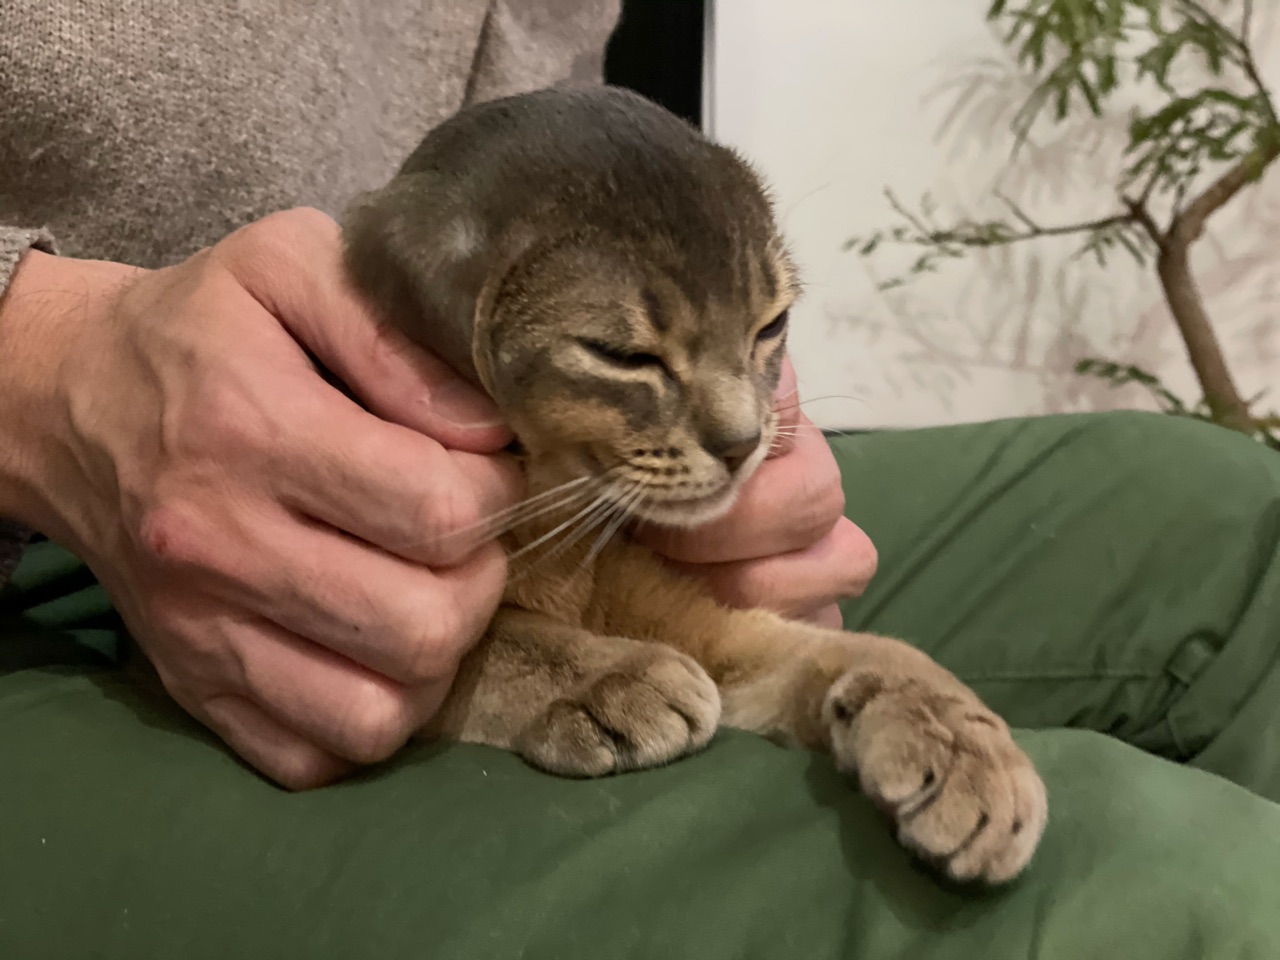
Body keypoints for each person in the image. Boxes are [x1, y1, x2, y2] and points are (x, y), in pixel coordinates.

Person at [2, 3, 1279, 958]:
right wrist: (44, 367)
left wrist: (859, 663)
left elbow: (570, 171)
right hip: (50, 564)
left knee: (1231, 531)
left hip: (515, 434)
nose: (743, 427)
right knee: (1163, 900)